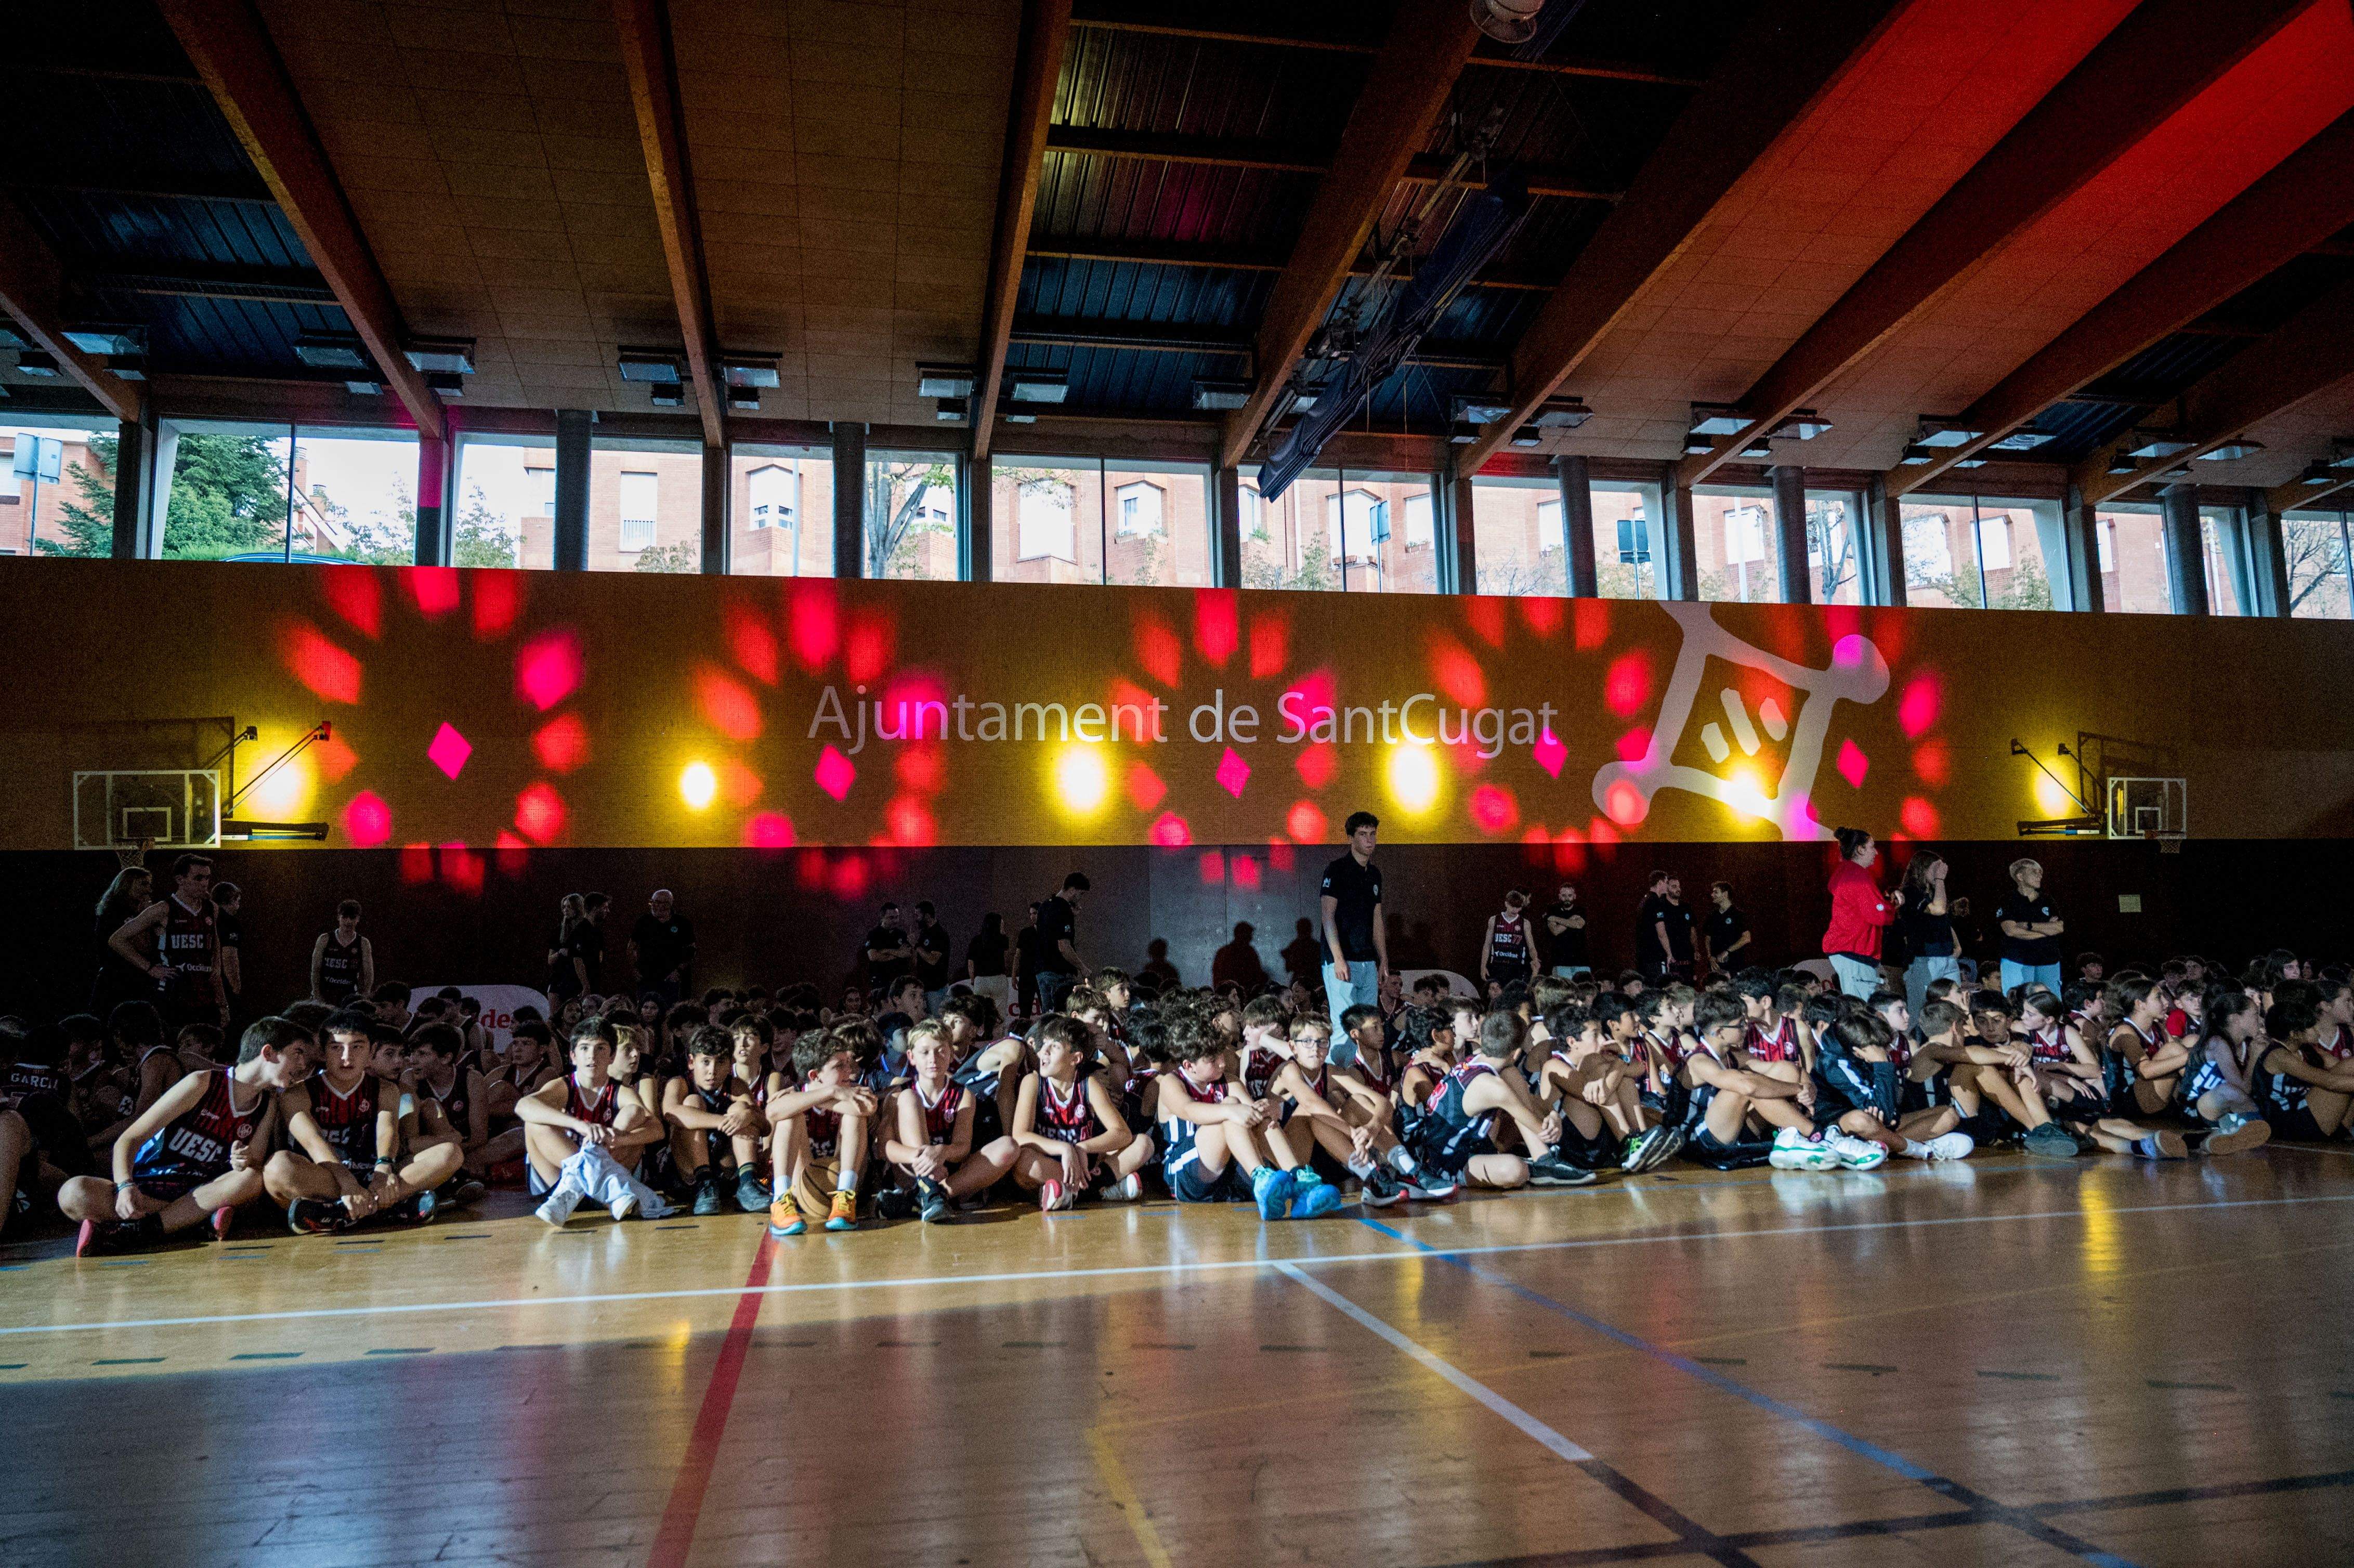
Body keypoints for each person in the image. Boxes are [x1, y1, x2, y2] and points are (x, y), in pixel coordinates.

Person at [60, 1015, 312, 1257]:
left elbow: (252, 1163)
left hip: (200, 1193)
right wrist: (125, 1186)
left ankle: (140, 1230)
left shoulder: (267, 1103)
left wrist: (240, 1160)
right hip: (150, 1188)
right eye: (297, 1053)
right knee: (72, 1193)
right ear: (268, 1053)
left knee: (251, 1178)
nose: (303, 1065)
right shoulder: (201, 1083)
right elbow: (129, 1139)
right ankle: (188, 1224)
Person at [268, 1010, 459, 1232]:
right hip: (329, 1176)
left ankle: (338, 1213)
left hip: (374, 1175)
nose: (346, 1057)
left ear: (371, 1051)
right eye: (336, 1048)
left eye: (357, 1047)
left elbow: (387, 1131)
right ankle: (389, 1208)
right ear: (323, 1052)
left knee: (450, 1153)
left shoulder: (386, 1089)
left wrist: (384, 1169)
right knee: (277, 1168)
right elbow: (313, 1142)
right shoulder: (297, 1093)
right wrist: (347, 1183)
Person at [1157, 1010, 1332, 1218]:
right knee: (1232, 1107)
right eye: (1212, 1060)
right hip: (1184, 1172)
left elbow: (1251, 1116)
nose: (1222, 1063)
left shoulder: (1228, 1081)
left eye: (1221, 1055)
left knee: (1254, 1115)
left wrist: (1270, 1109)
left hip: (1227, 1172)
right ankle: (1260, 1177)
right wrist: (1231, 1109)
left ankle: (1299, 1182)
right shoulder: (1171, 1082)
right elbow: (1190, 1110)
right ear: (1189, 1066)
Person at [518, 1018, 673, 1224]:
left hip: (592, 1189)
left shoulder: (620, 1091)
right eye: (585, 1048)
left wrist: (617, 1137)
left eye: (600, 1048)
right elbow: (523, 1106)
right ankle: (601, 1188)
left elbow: (657, 1130)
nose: (592, 1056)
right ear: (573, 1056)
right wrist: (579, 1124)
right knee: (534, 1121)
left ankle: (583, 1182)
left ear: (611, 1056)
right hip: (560, 1185)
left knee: (635, 1112)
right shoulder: (563, 1086)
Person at [877, 1019, 1017, 1222]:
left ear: (951, 1054)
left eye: (940, 1051)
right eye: (925, 1053)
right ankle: (928, 1190)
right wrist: (922, 1157)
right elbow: (884, 1148)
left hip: (947, 1174)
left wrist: (941, 1151)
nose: (933, 1059)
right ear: (911, 1057)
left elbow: (962, 1148)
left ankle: (926, 1198)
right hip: (912, 1172)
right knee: (909, 1098)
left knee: (1009, 1146)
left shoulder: (964, 1094)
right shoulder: (899, 1094)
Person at [1009, 1014, 1152, 1210]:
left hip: (1086, 1165)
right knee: (1023, 1162)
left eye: (1054, 1047)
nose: (1044, 1052)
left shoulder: (1089, 1084)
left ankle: (1070, 1194)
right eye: (1045, 1044)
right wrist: (1064, 1148)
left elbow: (1122, 1134)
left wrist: (1082, 1148)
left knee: (1144, 1143)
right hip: (1052, 1163)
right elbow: (1020, 1136)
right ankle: (1100, 1190)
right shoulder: (1033, 1082)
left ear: (1075, 1058)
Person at [766, 1025, 879, 1236]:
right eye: (840, 1066)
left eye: (848, 1063)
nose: (849, 1071)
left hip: (845, 1179)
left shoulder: (852, 1090)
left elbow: (866, 1107)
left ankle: (845, 1196)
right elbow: (772, 1112)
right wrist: (830, 1093)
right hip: (805, 1184)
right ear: (815, 1075)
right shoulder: (796, 1095)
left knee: (854, 1115)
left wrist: (813, 1098)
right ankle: (781, 1201)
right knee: (789, 1117)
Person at [108, 853, 226, 1032]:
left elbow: (215, 944)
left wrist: (221, 997)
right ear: (180, 879)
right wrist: (150, 968)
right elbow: (117, 939)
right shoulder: (164, 909)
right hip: (173, 994)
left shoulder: (211, 909)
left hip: (204, 995)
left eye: (207, 878)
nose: (204, 883)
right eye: (198, 878)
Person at [663, 1025, 770, 1214]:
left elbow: (766, 1127)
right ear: (691, 1062)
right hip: (687, 1177)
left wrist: (749, 1115)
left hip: (725, 1174)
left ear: (730, 1064)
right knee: (692, 1103)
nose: (712, 1071)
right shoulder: (679, 1083)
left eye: (720, 1062)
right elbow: (671, 1113)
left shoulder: (736, 1085)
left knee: (742, 1110)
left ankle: (747, 1184)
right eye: (706, 1062)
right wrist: (721, 1121)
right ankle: (704, 1182)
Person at [1320, 812, 1388, 1042]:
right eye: (1363, 834)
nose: (1370, 840)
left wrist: (1383, 959)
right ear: (1351, 838)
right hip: (1341, 959)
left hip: (1367, 959)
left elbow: (1377, 918)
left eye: (1373, 834)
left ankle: (1365, 1066)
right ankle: (1341, 1066)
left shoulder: (1375, 874)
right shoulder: (1336, 870)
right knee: (1345, 1025)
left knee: (1369, 1025)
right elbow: (1328, 916)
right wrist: (1338, 958)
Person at [1822, 827, 1900, 1000]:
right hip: (1855, 951)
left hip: (1849, 951)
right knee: (1861, 1008)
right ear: (1860, 849)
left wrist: (1886, 902)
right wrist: (1893, 906)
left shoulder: (1845, 872)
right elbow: (1877, 915)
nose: (1876, 852)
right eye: (1872, 847)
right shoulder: (1858, 876)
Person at [1895, 851, 1956, 1020]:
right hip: (1924, 958)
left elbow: (1945, 922)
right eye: (1936, 868)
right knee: (1921, 1010)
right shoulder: (1910, 892)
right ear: (1922, 868)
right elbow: (1938, 910)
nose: (1940, 872)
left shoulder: (1935, 893)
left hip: (1947, 957)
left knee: (1954, 1008)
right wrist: (1940, 880)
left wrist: (1956, 948)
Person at [90, 863, 154, 1014]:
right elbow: (144, 947)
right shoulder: (118, 913)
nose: (149, 890)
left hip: (124, 978)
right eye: (143, 884)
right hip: (120, 980)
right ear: (128, 884)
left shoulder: (111, 910)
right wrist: (145, 916)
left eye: (149, 884)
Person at [1995, 859, 2064, 995]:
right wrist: (2046, 931)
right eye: (2034, 872)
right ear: (2020, 876)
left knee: (2050, 1001)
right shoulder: (2008, 900)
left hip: (2049, 960)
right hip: (2017, 960)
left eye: (2041, 873)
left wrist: (2028, 926)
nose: (2040, 876)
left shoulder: (2048, 900)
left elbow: (2059, 928)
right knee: (2018, 1000)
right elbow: (2011, 931)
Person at [1035, 873, 1089, 1015]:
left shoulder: (1045, 906)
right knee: (1064, 1015)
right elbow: (1064, 946)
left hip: (1042, 970)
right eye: (1081, 894)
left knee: (1049, 1016)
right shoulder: (1064, 909)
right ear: (1072, 890)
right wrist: (1082, 967)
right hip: (1058, 971)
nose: (1081, 898)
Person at [630, 889, 696, 1005]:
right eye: (653, 902)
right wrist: (634, 969)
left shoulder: (682, 923)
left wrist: (679, 971)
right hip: (647, 978)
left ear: (669, 904)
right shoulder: (644, 922)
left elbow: (691, 950)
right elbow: (632, 947)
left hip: (671, 979)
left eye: (658, 903)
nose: (654, 906)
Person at [311, 899, 374, 1005]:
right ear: (338, 917)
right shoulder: (325, 939)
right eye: (345, 917)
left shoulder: (363, 943)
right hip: (325, 994)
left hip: (349, 996)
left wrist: (365, 995)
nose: (348, 921)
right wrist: (317, 996)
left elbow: (369, 973)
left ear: (358, 919)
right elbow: (315, 970)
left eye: (352, 917)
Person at [1479, 889, 1535, 997]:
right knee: (1496, 996)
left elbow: (1531, 947)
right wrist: (1483, 966)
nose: (1515, 910)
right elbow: (1487, 945)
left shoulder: (1525, 923)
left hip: (1516, 967)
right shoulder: (1494, 920)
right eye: (1512, 906)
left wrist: (1535, 960)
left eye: (1518, 907)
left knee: (1513, 996)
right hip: (1497, 966)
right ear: (1506, 904)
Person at [1633, 871, 1677, 982]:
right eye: (1666, 882)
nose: (1667, 886)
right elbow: (1661, 933)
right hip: (1655, 956)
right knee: (1661, 986)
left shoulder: (1644, 901)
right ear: (1660, 882)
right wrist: (1669, 954)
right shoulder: (1656, 902)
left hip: (1643, 957)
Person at [965, 912, 1012, 1013]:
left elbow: (971, 963)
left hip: (981, 980)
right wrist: (1002, 931)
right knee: (1000, 1013)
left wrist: (973, 980)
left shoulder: (976, 940)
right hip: (998, 979)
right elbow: (1007, 954)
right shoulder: (1001, 940)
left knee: (982, 1013)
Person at [910, 901, 952, 1015]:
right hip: (925, 988)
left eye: (918, 915)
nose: (916, 919)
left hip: (936, 989)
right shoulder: (924, 933)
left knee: (937, 1020)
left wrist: (916, 945)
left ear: (927, 916)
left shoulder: (939, 934)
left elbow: (933, 960)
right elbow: (917, 960)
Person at [1702, 881, 1750, 978]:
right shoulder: (1712, 916)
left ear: (1725, 894)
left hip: (1734, 966)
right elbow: (1707, 939)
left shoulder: (1738, 915)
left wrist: (1727, 951)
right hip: (1716, 967)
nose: (1712, 895)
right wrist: (1710, 957)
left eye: (1716, 892)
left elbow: (1747, 938)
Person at [1542, 883, 1590, 979]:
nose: (1567, 898)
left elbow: (1579, 925)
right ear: (1560, 896)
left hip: (1581, 960)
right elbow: (1555, 931)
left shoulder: (1581, 909)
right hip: (1559, 961)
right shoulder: (1552, 909)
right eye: (1564, 896)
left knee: (1583, 988)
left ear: (1575, 896)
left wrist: (1556, 919)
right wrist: (1572, 920)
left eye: (1570, 895)